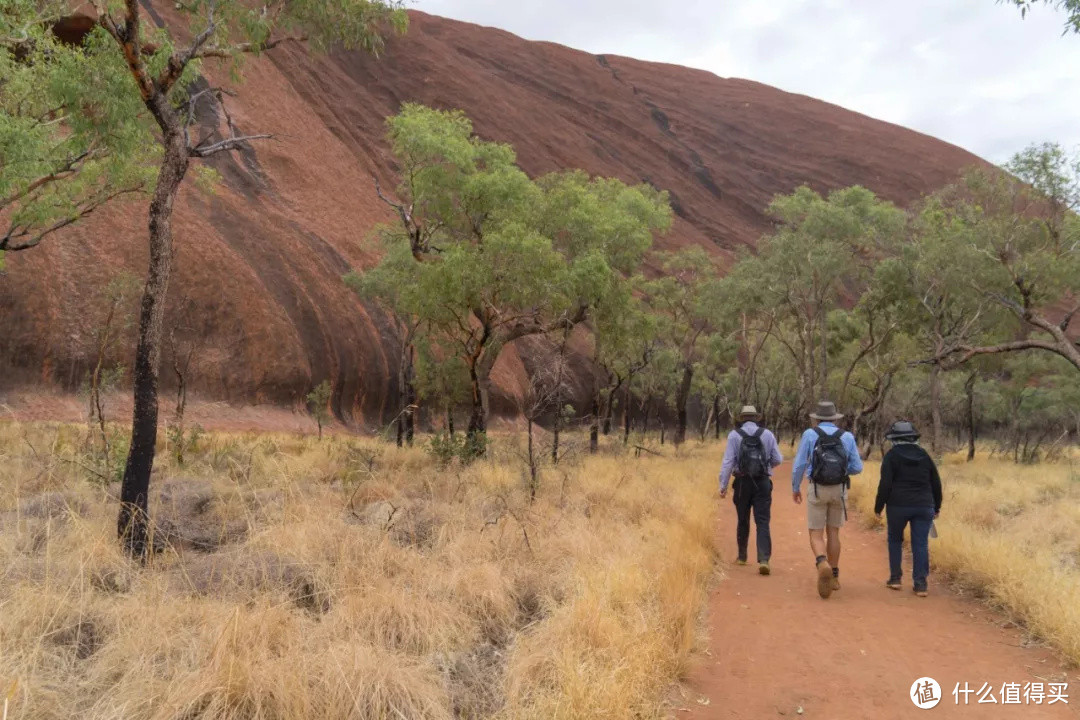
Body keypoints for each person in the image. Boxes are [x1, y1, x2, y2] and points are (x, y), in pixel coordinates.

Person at [792, 400, 863, 599]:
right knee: (834, 532)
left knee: (815, 533)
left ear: (817, 419)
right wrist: (841, 471)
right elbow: (857, 468)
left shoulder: (809, 434)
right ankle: (835, 575)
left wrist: (795, 487)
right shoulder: (847, 436)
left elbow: (799, 465)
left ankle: (822, 562)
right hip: (839, 490)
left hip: (817, 489)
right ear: (834, 418)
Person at [874, 421, 942, 598]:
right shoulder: (924, 455)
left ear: (894, 438)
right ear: (913, 437)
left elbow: (885, 484)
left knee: (895, 540)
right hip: (924, 505)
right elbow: (936, 482)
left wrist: (878, 507)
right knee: (920, 544)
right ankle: (921, 585)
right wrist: (937, 506)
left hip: (897, 505)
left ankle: (895, 578)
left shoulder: (891, 456)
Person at [719, 405, 783, 575]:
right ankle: (764, 560)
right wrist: (766, 466)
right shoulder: (767, 434)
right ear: (756, 418)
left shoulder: (734, 435)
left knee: (742, 519)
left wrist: (723, 486)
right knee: (762, 521)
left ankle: (741, 557)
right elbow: (778, 458)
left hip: (741, 482)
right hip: (762, 482)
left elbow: (727, 462)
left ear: (741, 418)